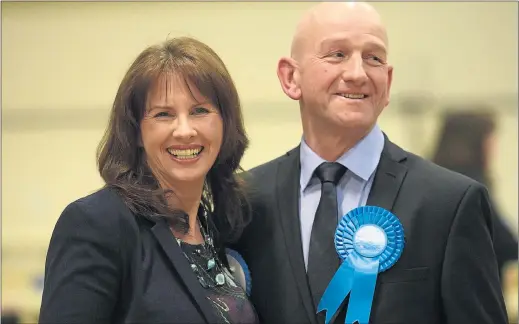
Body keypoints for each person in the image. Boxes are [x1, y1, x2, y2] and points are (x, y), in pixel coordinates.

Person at [233, 2, 508, 324]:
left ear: (388, 82)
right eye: (336, 54)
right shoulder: (244, 200)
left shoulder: (450, 202)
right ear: (291, 77)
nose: (357, 73)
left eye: (373, 58)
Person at [39, 37, 258, 324]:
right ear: (136, 133)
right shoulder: (97, 224)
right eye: (163, 114)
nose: (184, 130)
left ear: (225, 123)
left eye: (200, 111)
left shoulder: (214, 230)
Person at [431, 109, 518, 279]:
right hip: (470, 286)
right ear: (476, 142)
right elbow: (503, 242)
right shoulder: (471, 184)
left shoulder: (429, 177)